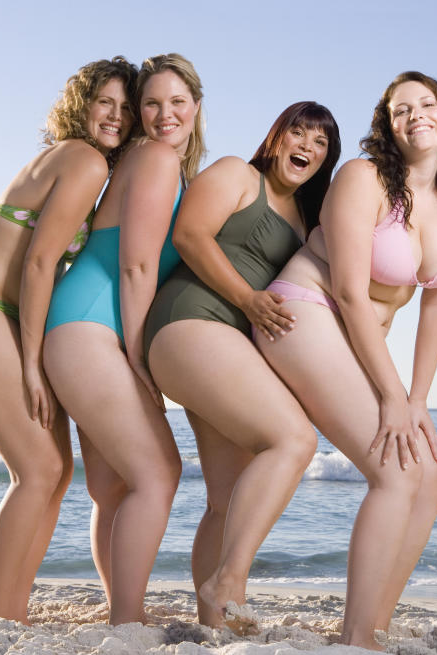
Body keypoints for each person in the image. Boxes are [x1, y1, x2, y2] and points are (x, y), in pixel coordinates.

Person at [256, 72, 437, 650]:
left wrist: (417, 399)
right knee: (396, 470)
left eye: (426, 104)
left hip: (359, 339)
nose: (415, 116)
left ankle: (374, 625)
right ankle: (356, 640)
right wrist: (390, 398)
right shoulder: (364, 178)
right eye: (400, 110)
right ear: (388, 125)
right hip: (305, 311)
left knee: (430, 478)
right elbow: (353, 294)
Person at [0, 57, 137, 623]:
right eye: (105, 103)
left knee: (56, 471)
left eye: (125, 107)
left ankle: (10, 610)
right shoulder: (84, 159)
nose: (115, 116)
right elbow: (41, 261)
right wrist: (31, 362)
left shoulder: (78, 163)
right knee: (38, 470)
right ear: (82, 104)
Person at [144, 102, 341, 630]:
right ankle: (231, 581)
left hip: (228, 347)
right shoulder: (238, 173)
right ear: (276, 138)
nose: (307, 146)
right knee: (295, 440)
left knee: (226, 500)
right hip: (188, 322)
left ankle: (211, 624)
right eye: (298, 133)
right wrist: (248, 298)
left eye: (320, 143)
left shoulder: (308, 221)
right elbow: (190, 235)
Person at [42, 53, 205, 625]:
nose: (164, 115)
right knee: (159, 473)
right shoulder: (158, 158)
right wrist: (142, 359)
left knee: (114, 488)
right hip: (92, 331)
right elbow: (137, 269)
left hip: (78, 329)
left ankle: (122, 611)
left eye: (175, 102)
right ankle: (128, 622)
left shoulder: (150, 162)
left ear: (196, 107)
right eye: (151, 104)